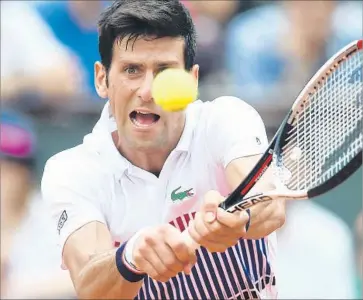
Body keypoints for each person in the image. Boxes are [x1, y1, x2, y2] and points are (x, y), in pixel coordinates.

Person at [41, 1, 286, 299]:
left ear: (192, 80)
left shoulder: (226, 119)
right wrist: (130, 257)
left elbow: (270, 204)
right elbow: (91, 286)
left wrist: (238, 219)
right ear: (102, 79)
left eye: (164, 72)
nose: (147, 91)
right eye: (132, 70)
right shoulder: (72, 171)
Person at [0, 110, 75, 298]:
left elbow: (82, 277)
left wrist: (14, 290)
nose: (5, 177)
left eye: (11, 167)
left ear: (26, 173)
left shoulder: (54, 215)